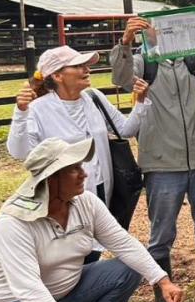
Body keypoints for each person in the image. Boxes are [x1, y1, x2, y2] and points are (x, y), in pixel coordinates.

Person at [0, 138, 184, 302]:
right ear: (51, 178)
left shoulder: (85, 202)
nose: (83, 174)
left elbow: (122, 242)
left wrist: (162, 280)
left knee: (127, 269)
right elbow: (28, 288)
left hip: (63, 293)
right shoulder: (14, 222)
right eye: (74, 169)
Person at [110, 5, 195, 302]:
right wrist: (124, 42)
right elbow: (120, 76)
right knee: (161, 234)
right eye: (157, 27)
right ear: (147, 30)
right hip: (161, 164)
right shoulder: (143, 64)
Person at [8, 46, 151, 225]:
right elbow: (20, 152)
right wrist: (20, 113)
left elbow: (125, 130)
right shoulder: (37, 109)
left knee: (97, 242)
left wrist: (141, 101)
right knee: (76, 245)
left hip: (102, 186)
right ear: (57, 76)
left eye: (85, 65)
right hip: (65, 194)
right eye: (77, 66)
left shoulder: (94, 98)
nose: (86, 70)